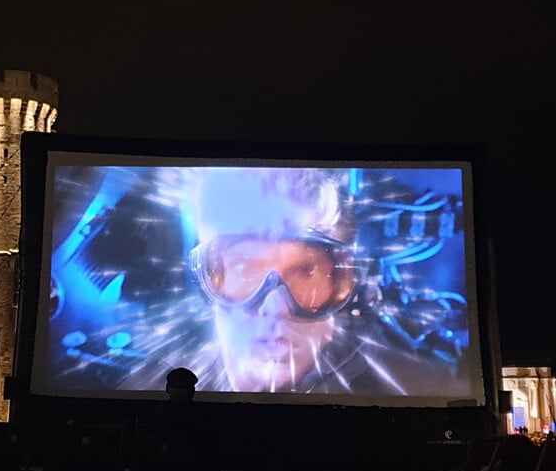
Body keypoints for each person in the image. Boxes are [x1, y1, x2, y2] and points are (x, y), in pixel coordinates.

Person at [187, 166, 469, 396]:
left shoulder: (426, 390)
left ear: (343, 281)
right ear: (209, 276)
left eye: (305, 271)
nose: (275, 308)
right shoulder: (152, 385)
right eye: (244, 268)